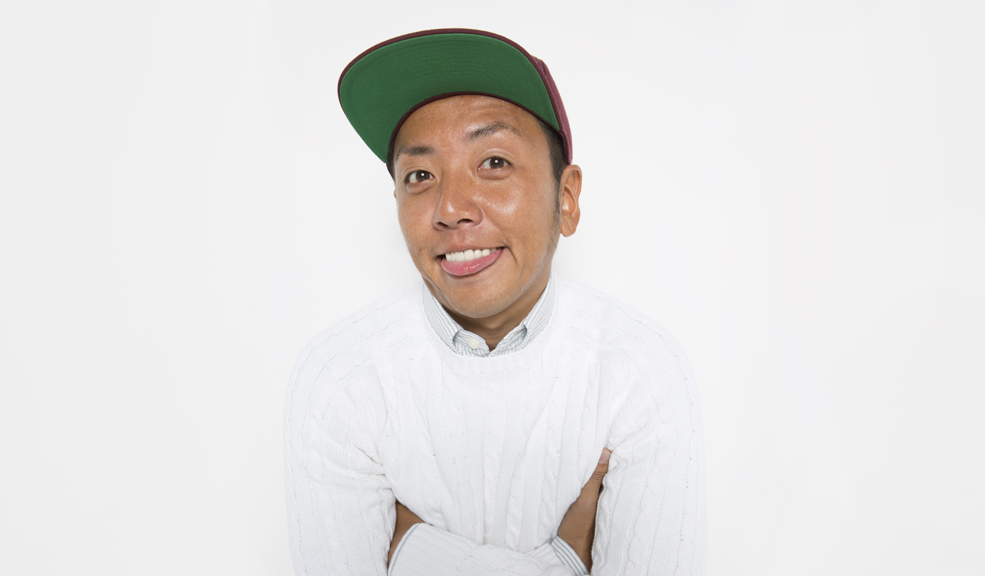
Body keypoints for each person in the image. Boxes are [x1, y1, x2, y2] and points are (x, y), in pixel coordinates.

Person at [284, 29, 706, 575]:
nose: (451, 207)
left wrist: (414, 553)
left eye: (494, 163)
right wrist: (563, 562)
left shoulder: (639, 372)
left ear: (567, 199)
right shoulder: (340, 379)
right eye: (420, 175)